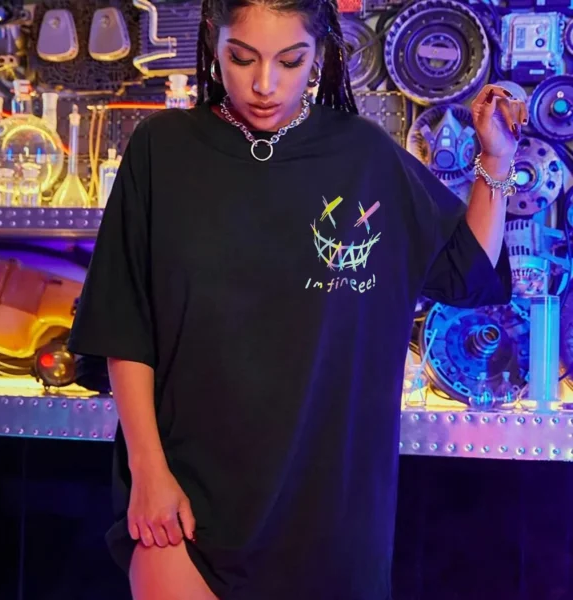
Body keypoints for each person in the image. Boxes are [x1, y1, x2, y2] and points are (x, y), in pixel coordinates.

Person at [68, 0, 526, 598]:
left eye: (290, 61)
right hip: (183, 505)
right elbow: (125, 323)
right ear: (212, 40)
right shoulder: (163, 150)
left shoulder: (362, 156)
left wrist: (497, 157)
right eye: (242, 58)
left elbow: (468, 272)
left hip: (332, 520)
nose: (265, 84)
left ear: (321, 52)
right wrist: (148, 473)